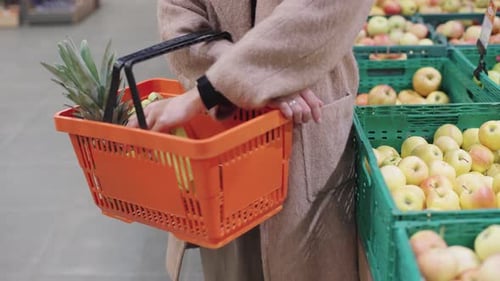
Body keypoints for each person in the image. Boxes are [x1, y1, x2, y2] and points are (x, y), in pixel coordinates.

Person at [128, 1, 372, 280]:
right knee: (233, 261)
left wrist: (215, 89)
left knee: (306, 260)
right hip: (221, 133)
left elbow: (323, 9)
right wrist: (249, 77)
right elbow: (178, 10)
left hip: (306, 127)